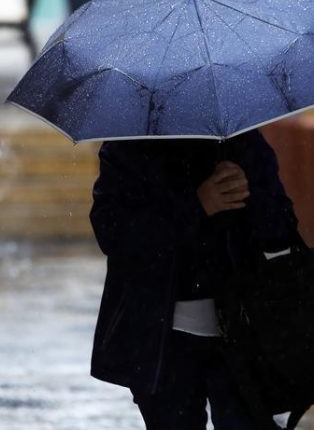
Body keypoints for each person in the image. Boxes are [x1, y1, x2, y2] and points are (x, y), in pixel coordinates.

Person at [88, 130, 299, 429]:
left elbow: (280, 232)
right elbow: (113, 235)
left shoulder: (242, 141)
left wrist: (251, 194)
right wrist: (197, 205)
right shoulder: (129, 148)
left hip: (245, 333)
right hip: (162, 339)